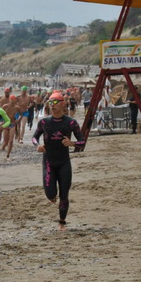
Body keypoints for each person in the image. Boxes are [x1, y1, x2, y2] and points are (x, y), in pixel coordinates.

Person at [32, 91, 86, 225]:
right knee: (50, 194)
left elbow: (82, 141)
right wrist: (38, 146)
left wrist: (72, 143)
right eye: (50, 102)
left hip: (64, 162)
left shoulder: (71, 123)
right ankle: (52, 196)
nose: (52, 105)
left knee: (64, 194)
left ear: (63, 104)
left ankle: (62, 221)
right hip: (49, 161)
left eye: (55, 102)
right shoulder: (44, 122)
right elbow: (34, 137)